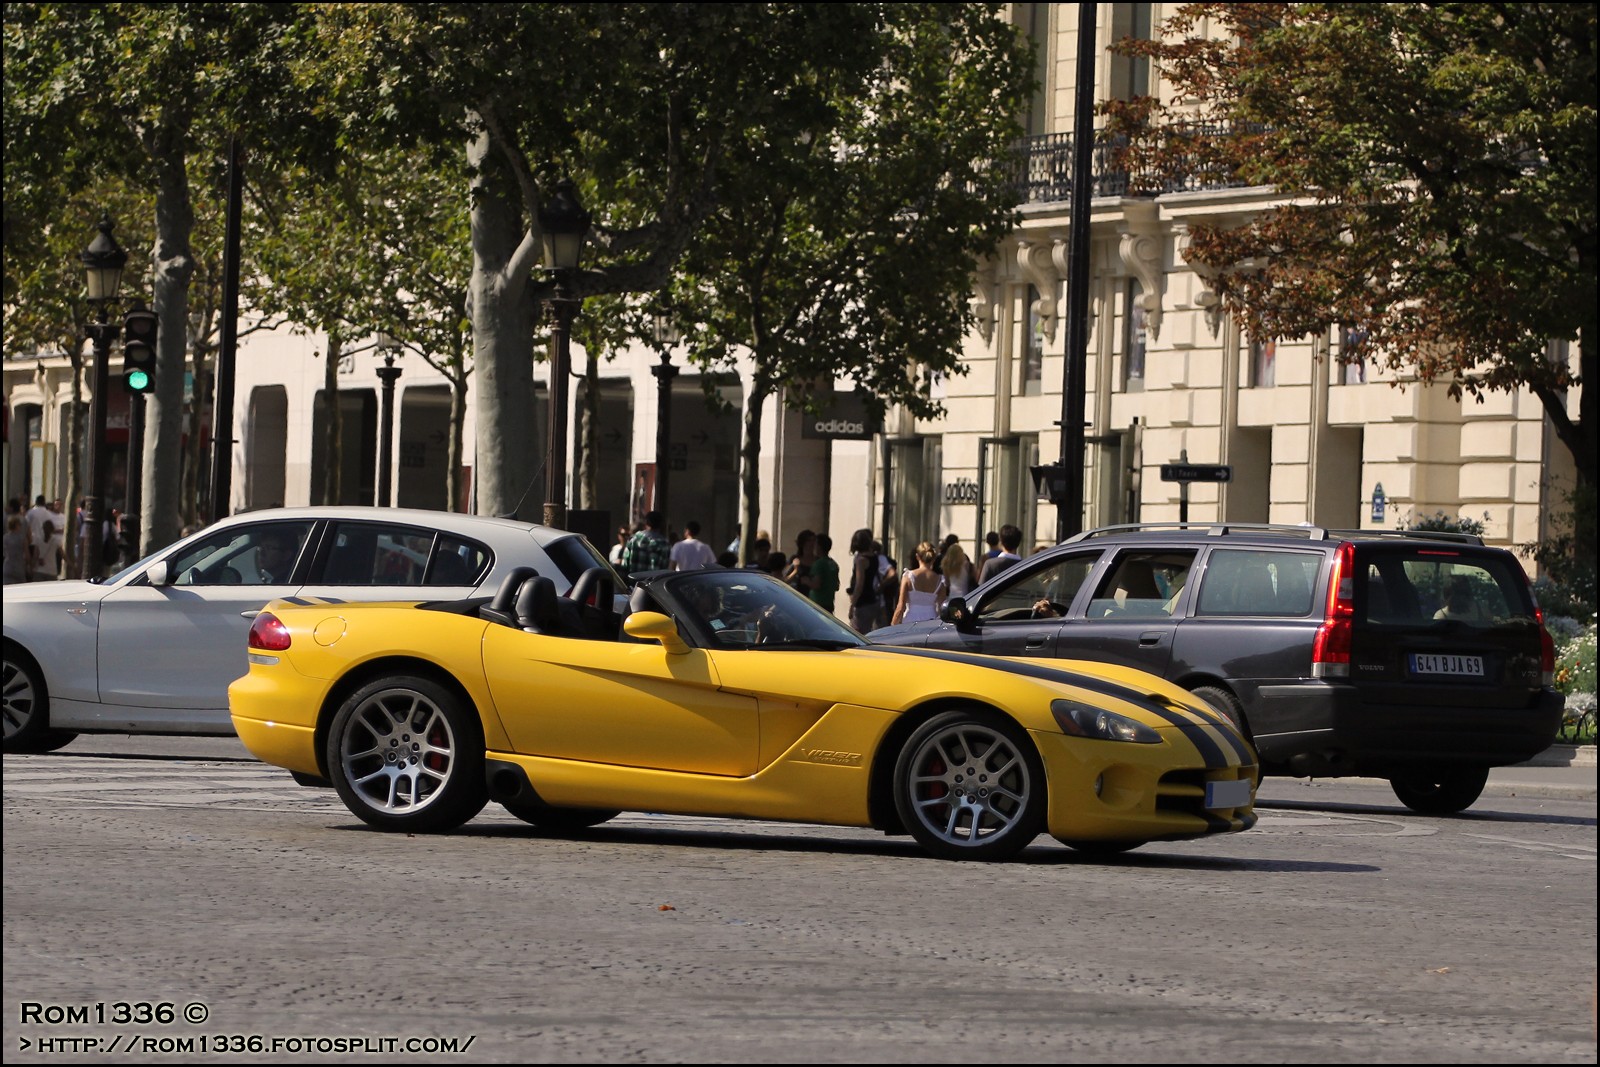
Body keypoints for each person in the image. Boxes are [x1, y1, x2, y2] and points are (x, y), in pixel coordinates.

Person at [892, 541, 946, 625]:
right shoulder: (940, 580)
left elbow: (901, 606)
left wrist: (893, 624)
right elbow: (942, 607)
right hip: (931, 620)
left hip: (910, 619)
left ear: (917, 557)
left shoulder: (908, 577)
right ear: (934, 558)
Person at [846, 528, 881, 633]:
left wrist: (852, 604)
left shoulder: (861, 560)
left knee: (857, 632)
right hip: (872, 599)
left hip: (862, 602)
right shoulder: (874, 557)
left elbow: (859, 583)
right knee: (869, 630)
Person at [619, 510, 670, 577]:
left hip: (634, 583)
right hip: (652, 585)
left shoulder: (634, 540)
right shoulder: (664, 545)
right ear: (661, 525)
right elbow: (664, 569)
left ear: (646, 523)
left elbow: (625, 564)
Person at [808, 533, 840, 613]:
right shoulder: (833, 564)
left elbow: (816, 584)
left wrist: (806, 581)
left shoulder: (819, 564)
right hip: (829, 603)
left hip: (817, 603)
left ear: (819, 547)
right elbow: (837, 586)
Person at [782, 529, 818, 595]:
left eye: (814, 540)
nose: (812, 543)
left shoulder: (818, 561)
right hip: (799, 597)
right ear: (803, 543)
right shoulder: (795, 559)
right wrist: (795, 571)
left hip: (815, 599)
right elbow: (785, 580)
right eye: (809, 540)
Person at [3, 514, 29, 585]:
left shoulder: (5, 538)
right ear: (17, 525)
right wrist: (29, 565)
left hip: (7, 566)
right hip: (19, 567)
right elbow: (27, 555)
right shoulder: (22, 538)